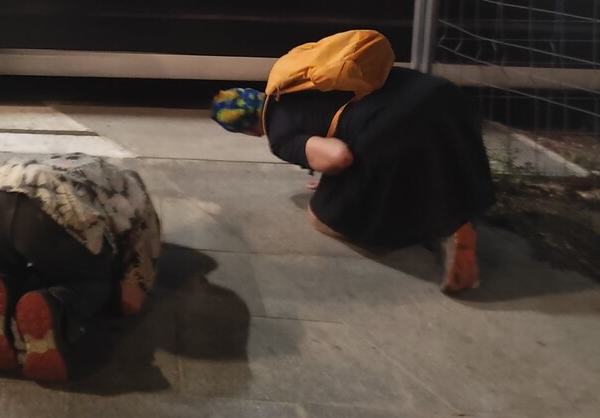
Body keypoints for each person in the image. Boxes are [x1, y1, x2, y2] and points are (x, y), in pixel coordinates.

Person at [211, 66, 495, 292]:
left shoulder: (279, 135)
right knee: (409, 154)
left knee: (324, 216)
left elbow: (338, 157)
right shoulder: (290, 84)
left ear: (246, 130)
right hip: (440, 96)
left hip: (402, 125)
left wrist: (333, 184)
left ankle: (447, 228)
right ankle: (456, 211)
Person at [0, 153, 162, 382]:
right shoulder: (140, 203)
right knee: (91, 282)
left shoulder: (87, 166)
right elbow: (131, 301)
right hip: (49, 206)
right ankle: (56, 304)